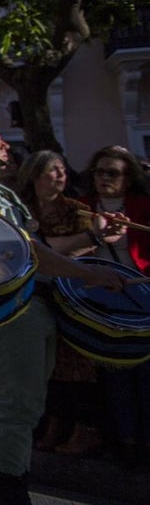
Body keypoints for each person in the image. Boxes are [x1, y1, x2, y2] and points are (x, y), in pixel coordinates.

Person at [0, 110, 125, 505]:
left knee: (27, 408)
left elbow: (41, 249)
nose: (4, 145)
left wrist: (92, 235)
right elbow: (26, 253)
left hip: (33, 306)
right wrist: (88, 274)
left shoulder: (1, 194)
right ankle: (9, 496)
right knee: (16, 407)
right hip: (13, 311)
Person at [17, 150, 112, 460]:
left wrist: (85, 240)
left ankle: (85, 430)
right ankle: (55, 424)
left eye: (61, 170)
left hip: (74, 297)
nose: (58, 176)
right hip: (37, 294)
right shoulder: (22, 210)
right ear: (34, 176)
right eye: (50, 171)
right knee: (50, 366)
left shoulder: (77, 211)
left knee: (79, 365)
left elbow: (82, 250)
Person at [78, 145, 150, 468]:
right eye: (99, 171)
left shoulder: (143, 207)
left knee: (145, 373)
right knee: (114, 374)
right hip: (101, 302)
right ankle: (126, 443)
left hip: (141, 298)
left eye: (113, 173)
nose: (104, 178)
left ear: (128, 178)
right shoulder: (82, 209)